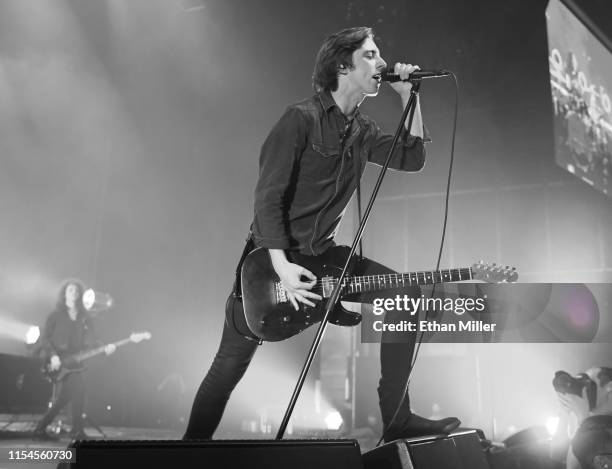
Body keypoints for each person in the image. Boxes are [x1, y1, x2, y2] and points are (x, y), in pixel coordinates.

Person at [184, 26, 461, 442]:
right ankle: (189, 448)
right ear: (343, 65)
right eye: (371, 55)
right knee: (230, 362)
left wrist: (409, 97)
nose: (382, 63)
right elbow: (267, 199)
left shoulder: (363, 131)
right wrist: (282, 265)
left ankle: (397, 418)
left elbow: (413, 157)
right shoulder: (300, 119)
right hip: (269, 262)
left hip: (324, 254)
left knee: (404, 294)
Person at [33, 280, 116, 440]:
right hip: (58, 360)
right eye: (71, 290)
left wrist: (105, 349)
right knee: (78, 392)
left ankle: (43, 429)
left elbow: (93, 339)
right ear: (64, 293)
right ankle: (75, 431)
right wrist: (53, 355)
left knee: (67, 397)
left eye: (77, 291)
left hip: (76, 362)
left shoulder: (85, 318)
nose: (74, 293)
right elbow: (44, 339)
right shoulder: (55, 316)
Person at [554, 367, 612, 469]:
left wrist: (583, 422)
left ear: (610, 388)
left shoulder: (595, 428)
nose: (583, 390)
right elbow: (557, 455)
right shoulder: (591, 425)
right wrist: (564, 413)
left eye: (588, 384)